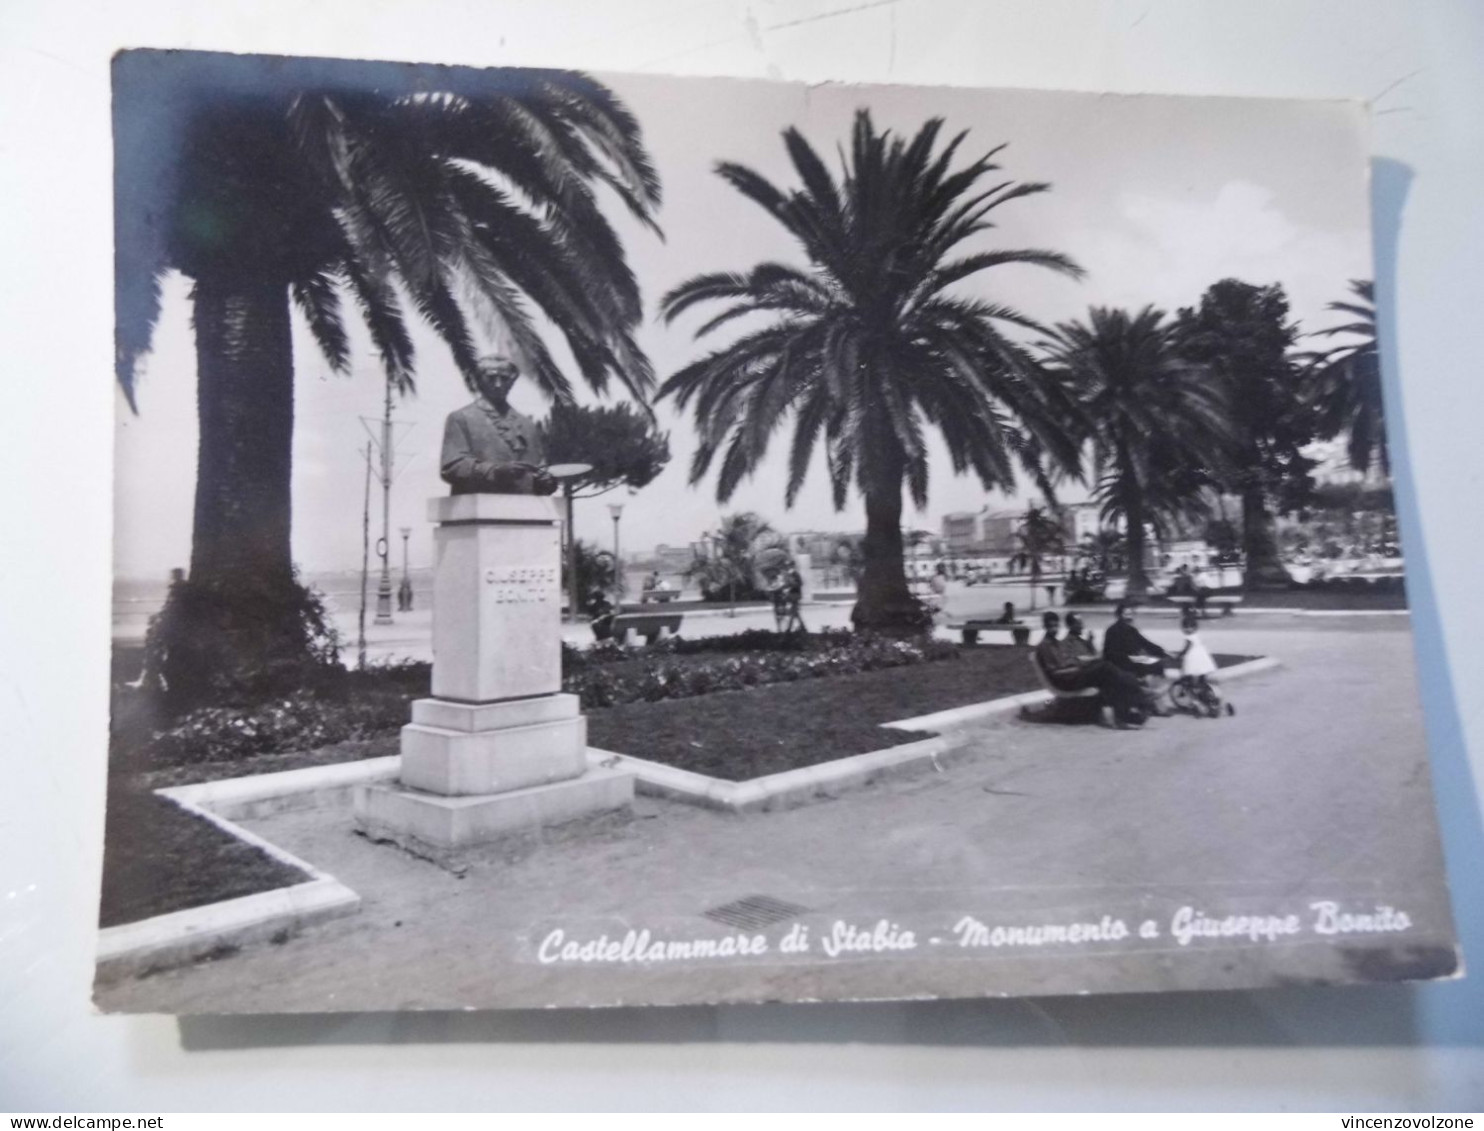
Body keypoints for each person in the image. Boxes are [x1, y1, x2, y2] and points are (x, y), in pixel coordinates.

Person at [439, 354, 557, 496]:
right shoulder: (462, 418)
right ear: (478, 380)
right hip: (479, 506)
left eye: (505, 378)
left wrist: (546, 480)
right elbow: (452, 467)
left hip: (525, 509)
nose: (498, 384)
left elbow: (539, 468)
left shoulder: (527, 425)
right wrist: (495, 471)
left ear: (512, 381)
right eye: (491, 378)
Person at [1033, 611, 1155, 728]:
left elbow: (1068, 661)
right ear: (1044, 626)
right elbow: (1055, 673)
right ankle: (1139, 692)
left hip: (1073, 675)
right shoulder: (1044, 646)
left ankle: (1126, 715)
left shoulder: (1056, 643)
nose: (1054, 629)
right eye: (1050, 626)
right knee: (1105, 667)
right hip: (1066, 681)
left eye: (1056, 625)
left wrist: (1079, 664)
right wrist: (1077, 668)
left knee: (1108, 680)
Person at [1102, 600, 1173, 678]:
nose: (1129, 617)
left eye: (1131, 614)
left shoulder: (1132, 630)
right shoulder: (1112, 631)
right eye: (1126, 614)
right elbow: (1110, 654)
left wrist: (1162, 652)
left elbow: (1145, 643)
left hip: (1131, 662)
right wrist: (1133, 658)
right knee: (1153, 667)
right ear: (1119, 615)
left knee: (1157, 665)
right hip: (1118, 665)